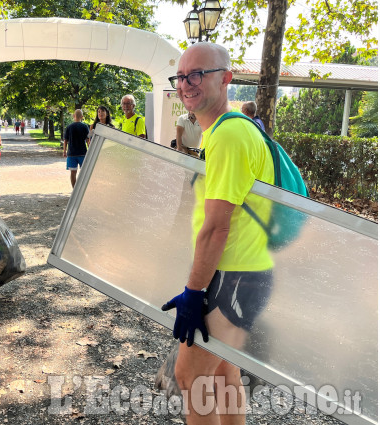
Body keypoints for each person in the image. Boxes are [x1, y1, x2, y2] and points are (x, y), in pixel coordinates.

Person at [163, 42, 275, 424]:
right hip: (248, 275)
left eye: (197, 74)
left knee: (191, 377)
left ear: (226, 78)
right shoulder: (230, 130)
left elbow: (216, 228)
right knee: (226, 375)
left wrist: (193, 293)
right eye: (180, 76)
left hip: (234, 276)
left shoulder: (227, 135)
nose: (185, 84)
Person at [63, 109, 90, 188]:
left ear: (73, 116)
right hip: (82, 153)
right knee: (84, 172)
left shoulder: (69, 127)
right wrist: (90, 149)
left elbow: (65, 140)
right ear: (82, 117)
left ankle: (74, 189)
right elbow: (88, 140)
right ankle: (82, 188)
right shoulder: (85, 127)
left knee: (73, 173)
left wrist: (64, 151)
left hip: (72, 153)